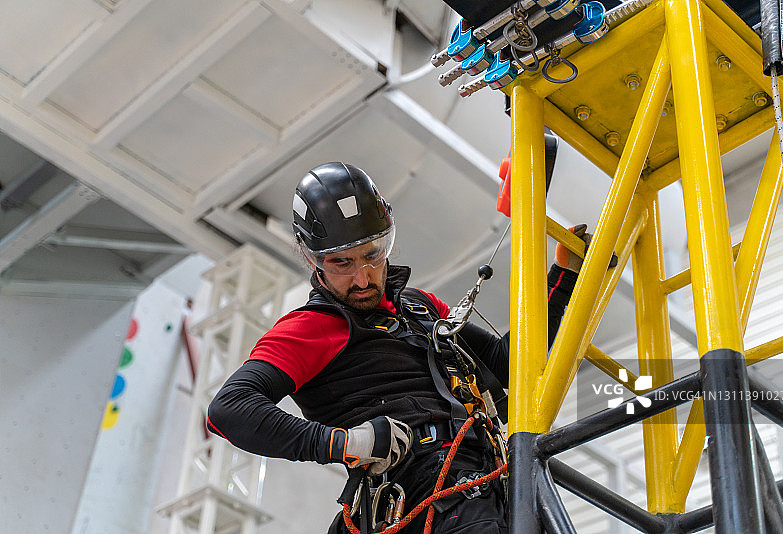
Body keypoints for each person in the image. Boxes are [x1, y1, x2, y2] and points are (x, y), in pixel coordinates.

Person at [206, 162, 585, 533]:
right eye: (341, 263)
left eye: (373, 254)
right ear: (312, 259)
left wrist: (563, 280)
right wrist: (342, 443)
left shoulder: (420, 307)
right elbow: (229, 409)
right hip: (421, 494)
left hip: (493, 480)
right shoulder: (310, 328)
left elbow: (507, 367)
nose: (362, 278)